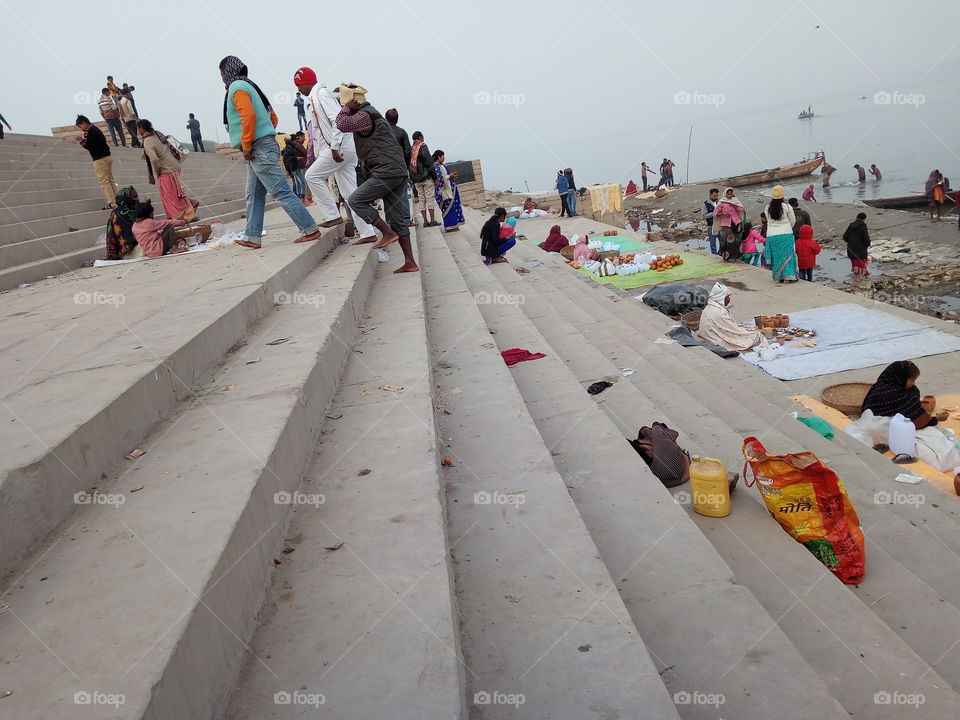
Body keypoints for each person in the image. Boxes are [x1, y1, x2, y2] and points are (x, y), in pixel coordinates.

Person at [220, 56, 321, 248]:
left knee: (281, 191)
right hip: (262, 144)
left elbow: (248, 115)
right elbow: (272, 117)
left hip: (257, 147)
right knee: (253, 194)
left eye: (222, 73)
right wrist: (265, 132)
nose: (222, 78)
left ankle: (309, 228)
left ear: (228, 72)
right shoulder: (252, 86)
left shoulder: (237, 88)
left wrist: (248, 143)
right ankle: (252, 236)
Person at [335, 82, 418, 272]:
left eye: (343, 103)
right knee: (397, 218)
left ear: (352, 103)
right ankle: (410, 262)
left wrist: (346, 109)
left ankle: (387, 233)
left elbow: (342, 124)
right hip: (396, 172)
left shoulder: (364, 115)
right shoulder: (371, 113)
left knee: (356, 200)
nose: (342, 107)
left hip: (385, 172)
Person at [294, 67, 376, 243]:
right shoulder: (315, 97)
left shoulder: (321, 94)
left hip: (340, 148)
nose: (298, 90)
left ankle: (332, 215)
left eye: (298, 85)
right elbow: (320, 131)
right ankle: (368, 232)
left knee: (312, 176)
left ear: (305, 82)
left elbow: (337, 120)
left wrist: (335, 147)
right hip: (341, 148)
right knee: (351, 194)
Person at [138, 118, 197, 222]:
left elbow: (155, 159)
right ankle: (189, 205)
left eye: (138, 128)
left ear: (142, 128)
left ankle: (181, 217)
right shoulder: (157, 133)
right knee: (177, 192)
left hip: (166, 170)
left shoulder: (147, 141)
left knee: (169, 197)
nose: (138, 131)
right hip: (175, 166)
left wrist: (157, 172)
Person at [862, 361, 949, 430]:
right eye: (912, 380)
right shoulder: (898, 397)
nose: (914, 383)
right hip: (882, 429)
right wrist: (937, 418)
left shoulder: (883, 384)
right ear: (901, 378)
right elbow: (917, 424)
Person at [697, 283, 767, 352]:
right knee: (757, 336)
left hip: (707, 334)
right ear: (721, 297)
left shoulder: (710, 305)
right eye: (727, 297)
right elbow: (733, 331)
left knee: (748, 329)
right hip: (714, 338)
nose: (729, 299)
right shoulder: (718, 312)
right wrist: (750, 331)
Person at [75, 114, 116, 208]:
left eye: (80, 126)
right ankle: (117, 200)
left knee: (104, 182)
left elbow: (88, 146)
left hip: (100, 159)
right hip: (107, 156)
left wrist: (81, 140)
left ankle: (112, 203)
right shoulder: (96, 129)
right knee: (110, 180)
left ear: (84, 123)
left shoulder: (89, 131)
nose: (81, 128)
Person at [384, 109, 414, 226]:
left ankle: (390, 220)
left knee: (387, 195)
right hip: (400, 167)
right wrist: (406, 166)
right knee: (403, 194)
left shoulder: (382, 132)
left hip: (385, 168)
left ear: (385, 118)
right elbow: (408, 151)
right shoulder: (402, 132)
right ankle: (406, 219)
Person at [763, 185, 798, 282]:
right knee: (788, 257)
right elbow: (793, 221)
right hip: (786, 234)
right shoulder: (787, 206)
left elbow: (769, 221)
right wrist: (787, 228)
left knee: (776, 257)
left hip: (772, 235)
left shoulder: (767, 207)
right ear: (783, 195)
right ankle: (788, 277)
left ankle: (777, 277)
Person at [409, 130, 439, 227]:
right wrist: (435, 177)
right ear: (420, 137)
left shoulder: (411, 149)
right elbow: (429, 162)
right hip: (426, 178)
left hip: (416, 179)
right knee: (430, 198)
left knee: (421, 199)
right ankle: (433, 220)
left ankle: (425, 222)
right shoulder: (422, 146)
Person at [104, 186, 140, 260]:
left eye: (137, 196)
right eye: (134, 197)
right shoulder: (125, 213)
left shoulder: (115, 212)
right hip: (131, 251)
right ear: (126, 198)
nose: (137, 199)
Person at [433, 150, 464, 232]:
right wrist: (449, 176)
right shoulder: (435, 167)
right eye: (442, 156)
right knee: (447, 210)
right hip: (443, 192)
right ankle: (449, 227)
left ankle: (454, 226)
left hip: (449, 190)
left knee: (452, 209)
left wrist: (451, 176)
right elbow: (440, 179)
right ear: (438, 157)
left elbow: (446, 176)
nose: (444, 158)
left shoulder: (442, 165)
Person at [842, 212, 871, 276]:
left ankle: (856, 275)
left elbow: (845, 237)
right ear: (863, 219)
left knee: (855, 263)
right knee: (862, 263)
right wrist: (867, 244)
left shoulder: (851, 225)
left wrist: (850, 242)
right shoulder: (863, 226)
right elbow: (866, 238)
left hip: (851, 248)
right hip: (861, 249)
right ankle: (865, 276)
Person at [282, 134, 306, 201]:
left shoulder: (290, 147)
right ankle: (301, 197)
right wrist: (297, 158)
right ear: (292, 141)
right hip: (294, 167)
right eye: (296, 141)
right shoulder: (289, 148)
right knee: (302, 182)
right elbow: (287, 159)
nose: (297, 143)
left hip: (293, 168)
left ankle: (299, 198)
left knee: (297, 183)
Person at [704, 188, 719, 255]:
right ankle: (714, 255)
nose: (716, 197)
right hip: (711, 225)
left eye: (717, 196)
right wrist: (713, 213)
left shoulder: (719, 203)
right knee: (713, 242)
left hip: (720, 225)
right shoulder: (706, 204)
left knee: (723, 241)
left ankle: (720, 254)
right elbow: (704, 216)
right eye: (714, 196)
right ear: (710, 195)